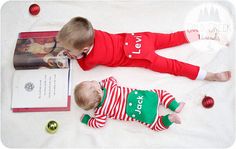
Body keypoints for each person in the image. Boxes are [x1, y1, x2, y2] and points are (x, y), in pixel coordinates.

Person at [57, 17, 231, 81]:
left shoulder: (92, 57)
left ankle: (210, 76)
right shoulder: (96, 32)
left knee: (173, 66)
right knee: (175, 37)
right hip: (142, 38)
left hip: (141, 56)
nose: (68, 52)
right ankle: (208, 34)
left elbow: (86, 66)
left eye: (69, 49)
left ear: (85, 48)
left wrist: (78, 56)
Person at [74, 76, 185, 131]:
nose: (93, 80)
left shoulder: (100, 112)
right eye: (91, 82)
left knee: (156, 125)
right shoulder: (108, 86)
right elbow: (113, 79)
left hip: (140, 113)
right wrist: (101, 83)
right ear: (99, 90)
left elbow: (99, 124)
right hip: (143, 98)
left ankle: (170, 119)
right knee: (160, 94)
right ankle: (175, 106)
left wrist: (88, 120)